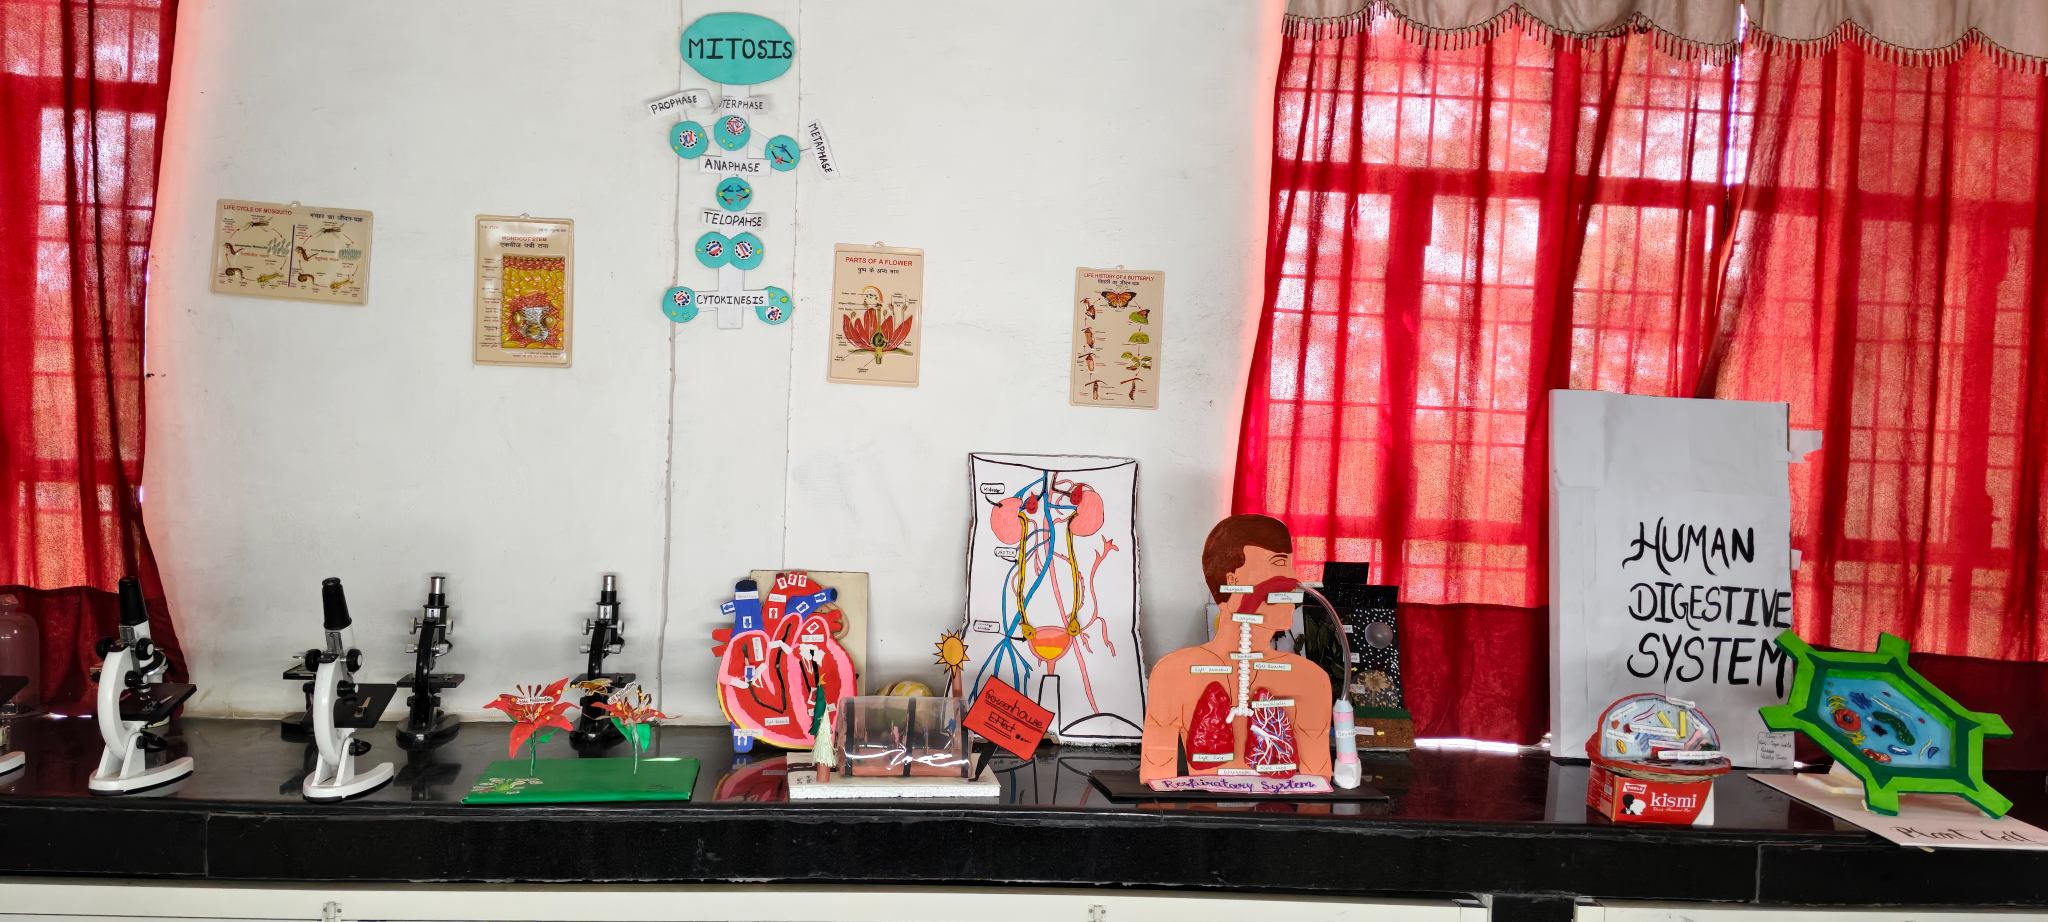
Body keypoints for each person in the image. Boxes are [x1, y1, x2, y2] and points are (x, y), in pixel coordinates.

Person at [1139, 514, 1332, 783]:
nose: (1292, 578)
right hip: (1204, 806)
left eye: (1291, 565)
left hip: (1278, 806)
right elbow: (1157, 775)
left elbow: (1317, 784)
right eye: (1278, 563)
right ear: (1232, 579)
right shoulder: (1173, 673)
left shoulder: (1310, 679)